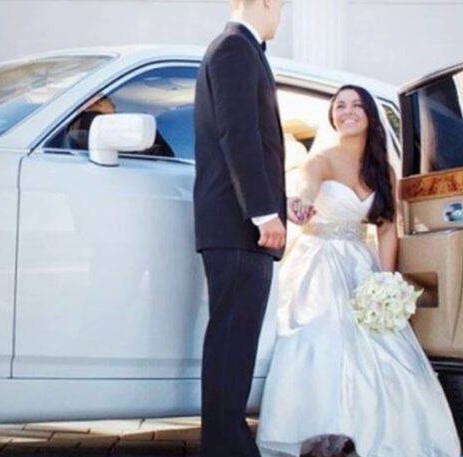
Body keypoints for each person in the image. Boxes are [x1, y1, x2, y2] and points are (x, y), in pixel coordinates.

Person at [255, 85, 462, 457]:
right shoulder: (322, 159)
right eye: (339, 106)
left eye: (356, 105)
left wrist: (385, 280)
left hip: (360, 264)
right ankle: (320, 437)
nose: (346, 112)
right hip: (318, 262)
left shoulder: (381, 168)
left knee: (389, 350)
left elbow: (385, 229)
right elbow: (305, 188)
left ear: (370, 116)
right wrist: (298, 205)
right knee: (324, 339)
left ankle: (382, 437)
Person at [192, 1, 286, 456]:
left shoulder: (243, 50)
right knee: (232, 342)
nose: (280, 14)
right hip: (237, 228)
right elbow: (239, 133)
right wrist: (263, 212)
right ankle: (227, 448)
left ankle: (224, 445)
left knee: (235, 342)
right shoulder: (234, 48)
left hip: (237, 227)